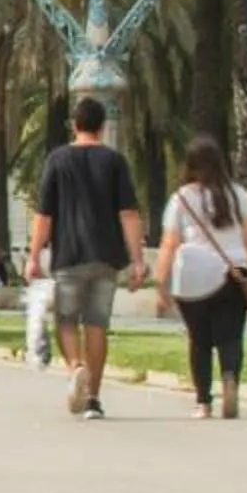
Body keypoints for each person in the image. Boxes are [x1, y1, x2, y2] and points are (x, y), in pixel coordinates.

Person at [26, 95, 145, 419]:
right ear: (102, 127)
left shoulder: (57, 159)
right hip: (107, 257)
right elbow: (129, 214)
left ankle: (76, 367)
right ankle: (93, 398)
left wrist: (33, 255)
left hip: (69, 256)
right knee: (97, 325)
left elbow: (44, 216)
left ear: (74, 125)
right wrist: (137, 259)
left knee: (66, 321)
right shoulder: (115, 161)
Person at [155, 135, 247, 421]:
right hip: (234, 273)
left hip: (193, 275)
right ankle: (230, 378)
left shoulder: (181, 199)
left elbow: (169, 244)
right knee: (231, 337)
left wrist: (161, 283)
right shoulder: (238, 194)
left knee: (199, 340)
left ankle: (203, 402)